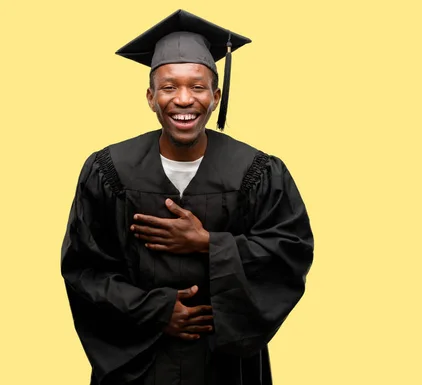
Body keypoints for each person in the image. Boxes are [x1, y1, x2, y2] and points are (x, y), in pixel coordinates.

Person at [60, 9, 314, 385]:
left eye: (197, 87)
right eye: (168, 87)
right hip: (138, 365)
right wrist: (158, 311)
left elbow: (290, 255)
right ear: (150, 97)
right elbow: (83, 270)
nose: (183, 99)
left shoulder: (258, 172)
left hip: (225, 364)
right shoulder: (108, 171)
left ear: (216, 96)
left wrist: (210, 244)